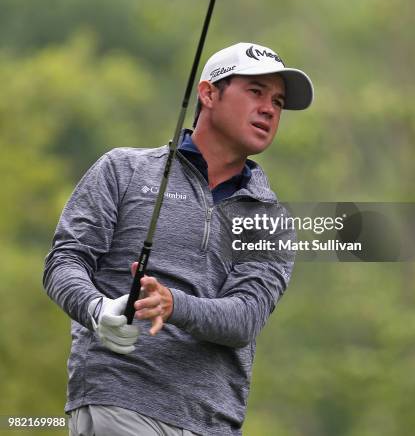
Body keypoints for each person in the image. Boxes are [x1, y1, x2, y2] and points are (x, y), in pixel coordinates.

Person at [43, 42, 314, 436]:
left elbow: (245, 318)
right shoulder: (124, 170)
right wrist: (96, 308)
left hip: (213, 422)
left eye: (278, 101)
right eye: (255, 92)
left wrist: (173, 304)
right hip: (119, 401)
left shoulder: (269, 218)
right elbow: (64, 261)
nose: (270, 109)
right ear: (208, 93)